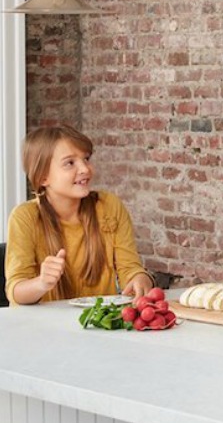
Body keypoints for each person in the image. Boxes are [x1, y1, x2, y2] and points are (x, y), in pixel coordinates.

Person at [5, 126, 154, 305]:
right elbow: (16, 292)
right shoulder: (25, 217)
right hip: (43, 328)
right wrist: (42, 283)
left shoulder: (109, 206)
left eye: (86, 159)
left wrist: (140, 278)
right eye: (70, 163)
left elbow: (129, 268)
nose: (85, 168)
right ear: (43, 177)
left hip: (98, 325)